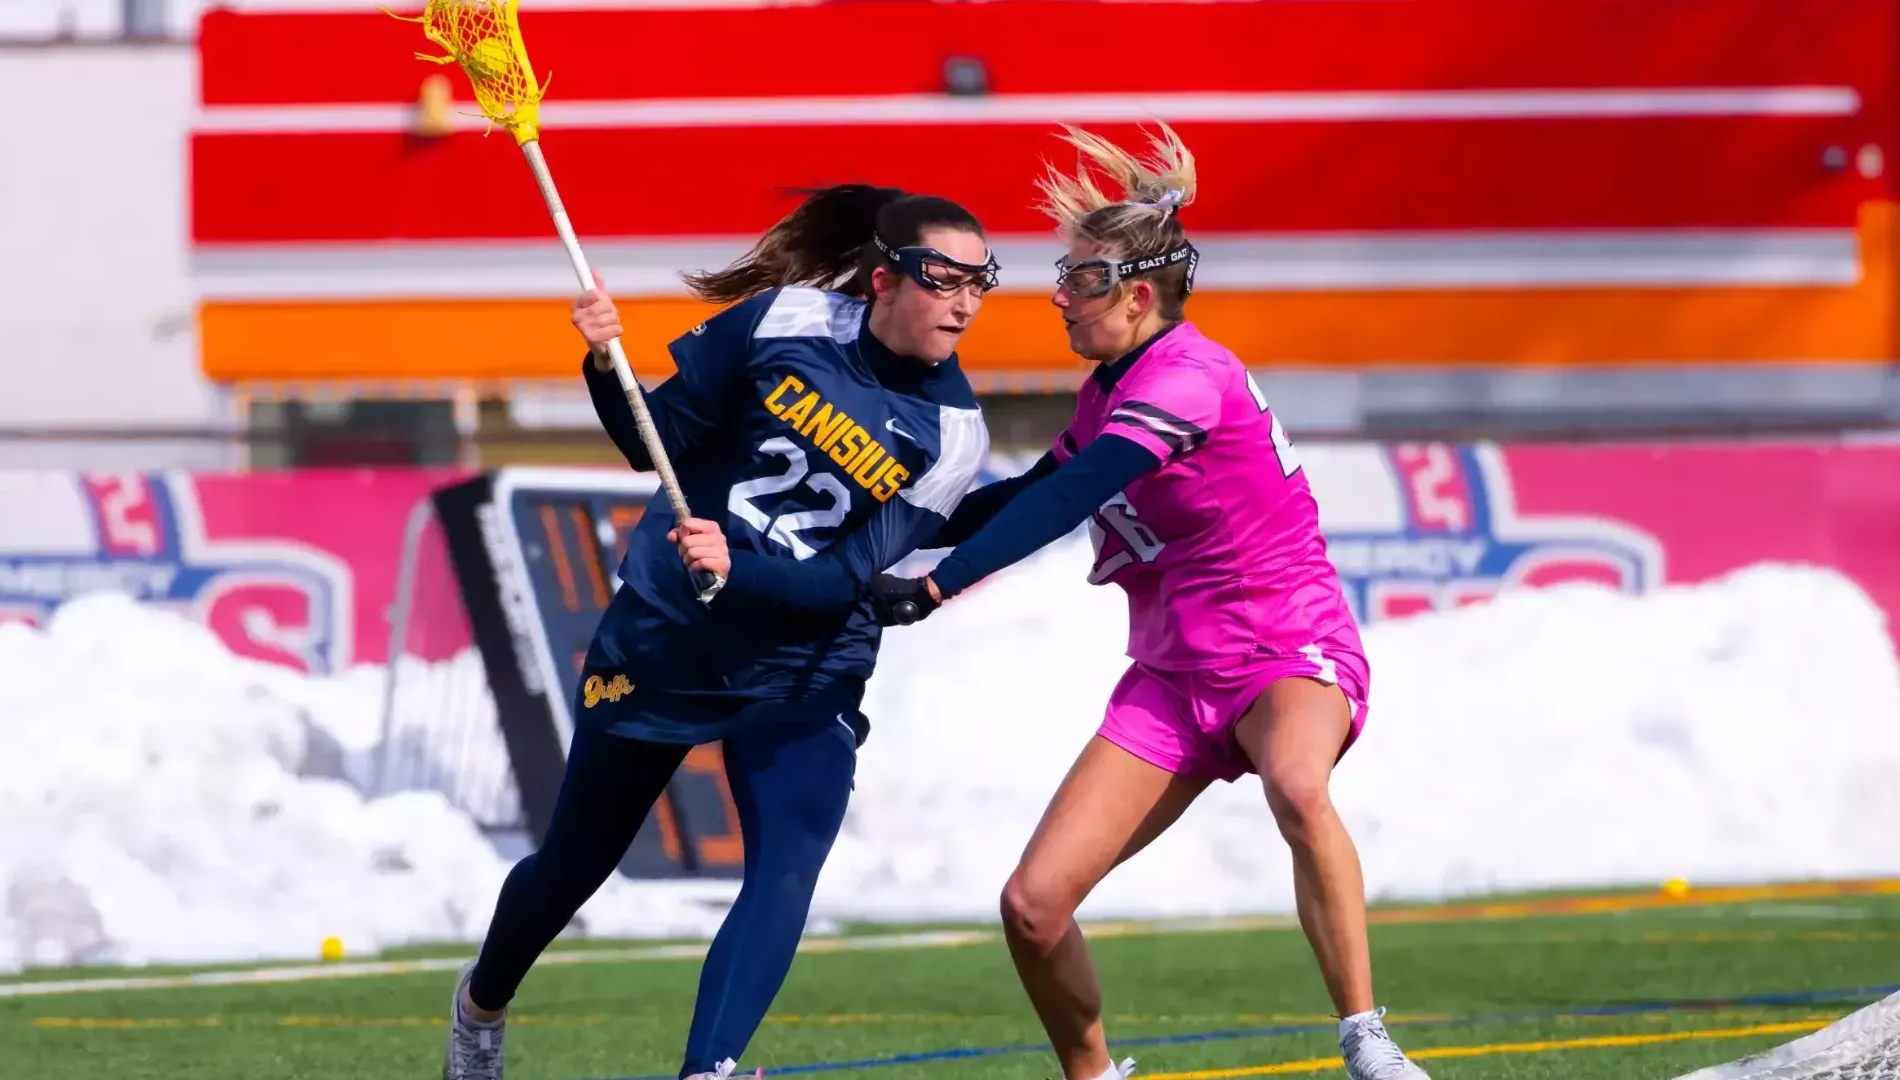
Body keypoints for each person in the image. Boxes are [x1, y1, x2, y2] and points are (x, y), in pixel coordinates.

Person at [867, 125, 1432, 1080]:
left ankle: (1366, 1039)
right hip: (1174, 675)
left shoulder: (1188, 378)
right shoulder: (1110, 391)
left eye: (1080, 282)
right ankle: (1093, 1076)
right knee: (1033, 905)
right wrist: (875, 529)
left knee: (1298, 784)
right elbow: (1014, 496)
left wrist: (934, 587)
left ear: (1138, 296)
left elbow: (1066, 498)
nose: (1058, 297)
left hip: (1285, 652)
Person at [441, 184, 996, 1080]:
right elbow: (648, 439)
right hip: (670, 632)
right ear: (888, 278)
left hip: (802, 660)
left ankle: (711, 1070)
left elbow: (842, 583)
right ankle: (480, 1005)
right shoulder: (784, 320)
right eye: (946, 278)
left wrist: (746, 569)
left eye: (982, 282)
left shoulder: (953, 434)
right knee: (575, 861)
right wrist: (602, 362)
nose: (966, 301)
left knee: (786, 862)